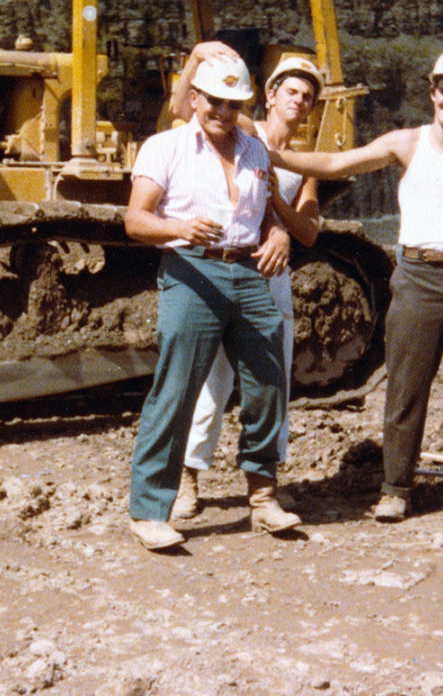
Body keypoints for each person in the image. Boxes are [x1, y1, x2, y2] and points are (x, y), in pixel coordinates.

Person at [272, 43, 443, 521]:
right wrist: (281, 159)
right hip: (416, 277)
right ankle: (396, 489)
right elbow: (340, 164)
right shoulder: (405, 143)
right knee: (405, 387)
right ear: (432, 93)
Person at [125, 53, 301, 551]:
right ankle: (149, 510)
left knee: (269, 379)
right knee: (178, 385)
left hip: (248, 271)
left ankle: (263, 498)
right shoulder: (165, 147)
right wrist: (179, 227)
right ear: (195, 98)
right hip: (191, 269)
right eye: (214, 101)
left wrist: (279, 234)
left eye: (233, 103)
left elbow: (265, 213)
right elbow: (135, 220)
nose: (223, 111)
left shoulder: (256, 151)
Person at [165, 42, 323, 519]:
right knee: (213, 376)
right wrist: (195, 60)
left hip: (272, 278)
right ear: (269, 95)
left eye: (307, 96)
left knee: (273, 379)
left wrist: (280, 222)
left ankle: (266, 483)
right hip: (228, 265)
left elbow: (309, 231)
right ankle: (188, 477)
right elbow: (179, 111)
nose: (298, 101)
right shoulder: (243, 130)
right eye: (290, 90)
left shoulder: (306, 164)